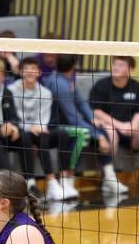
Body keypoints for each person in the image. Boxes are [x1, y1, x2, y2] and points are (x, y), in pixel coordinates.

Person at [43, 54, 128, 196]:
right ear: (74, 65)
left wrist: (93, 119)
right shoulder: (60, 84)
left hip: (67, 124)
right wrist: (98, 135)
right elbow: (73, 118)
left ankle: (109, 177)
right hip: (53, 127)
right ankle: (67, 181)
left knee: (102, 127)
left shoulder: (66, 79)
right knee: (83, 134)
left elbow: (81, 102)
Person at [8, 57, 77, 201]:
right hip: (20, 131)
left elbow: (43, 119)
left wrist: (39, 127)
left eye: (33, 68)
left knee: (62, 134)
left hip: (38, 130)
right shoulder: (11, 90)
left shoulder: (45, 92)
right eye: (26, 69)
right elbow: (13, 117)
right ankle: (49, 182)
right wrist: (29, 127)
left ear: (39, 72)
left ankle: (63, 182)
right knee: (31, 136)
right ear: (20, 72)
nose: (29, 72)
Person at [89, 56, 139, 156]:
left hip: (129, 128)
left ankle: (132, 167)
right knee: (112, 133)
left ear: (130, 69)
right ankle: (110, 170)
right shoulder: (101, 85)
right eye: (114, 64)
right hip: (108, 125)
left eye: (121, 65)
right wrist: (120, 125)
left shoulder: (135, 86)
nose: (116, 68)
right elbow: (96, 111)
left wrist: (133, 126)